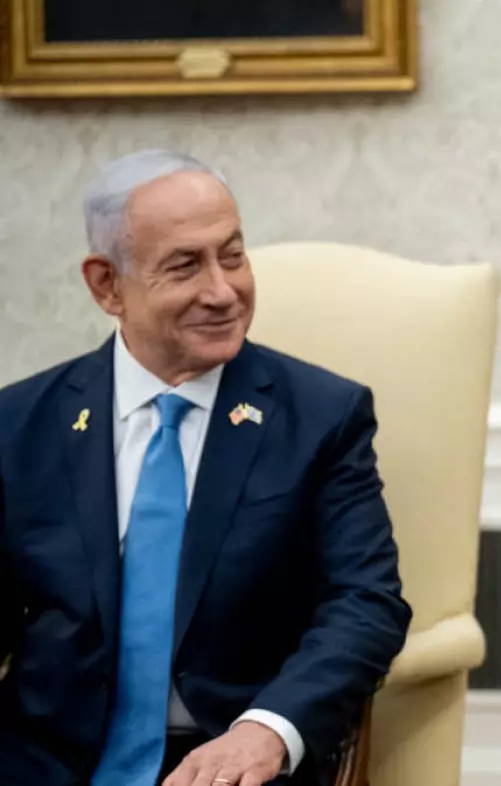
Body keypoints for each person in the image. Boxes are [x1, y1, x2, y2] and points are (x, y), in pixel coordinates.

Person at [0, 150, 411, 786]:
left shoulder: (322, 416)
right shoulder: (21, 423)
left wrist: (264, 731)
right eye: (185, 265)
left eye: (234, 255)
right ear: (107, 284)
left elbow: (366, 602)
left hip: (234, 763)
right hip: (48, 763)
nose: (223, 292)